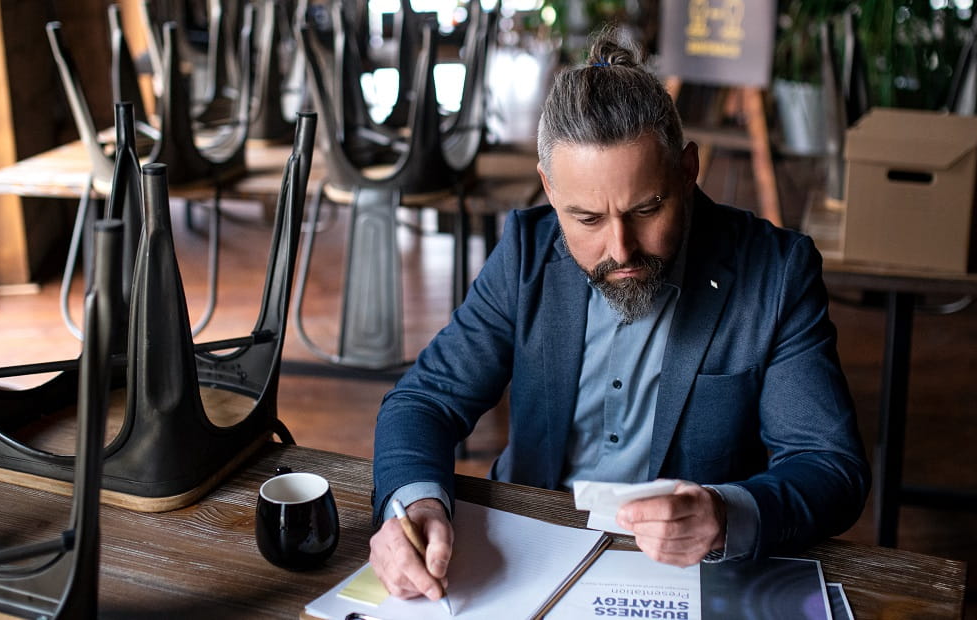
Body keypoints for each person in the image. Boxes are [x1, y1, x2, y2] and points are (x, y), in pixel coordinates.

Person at [367, 31, 870, 602]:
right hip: (525, 553)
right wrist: (416, 504)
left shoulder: (775, 273)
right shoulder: (528, 254)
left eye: (646, 208)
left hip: (687, 574)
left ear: (687, 171)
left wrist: (727, 515)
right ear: (550, 190)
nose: (621, 249)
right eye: (586, 218)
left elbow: (830, 466)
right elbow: (425, 400)